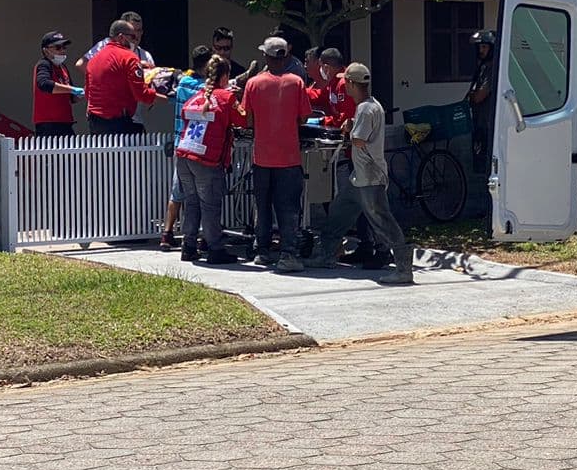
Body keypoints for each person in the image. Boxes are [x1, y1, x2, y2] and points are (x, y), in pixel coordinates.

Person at [305, 63, 414, 285]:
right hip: (361, 175)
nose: (344, 86)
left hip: (370, 176)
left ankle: (404, 268)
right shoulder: (371, 105)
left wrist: (348, 131)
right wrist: (353, 123)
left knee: (382, 220)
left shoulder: (364, 108)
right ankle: (326, 255)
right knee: (339, 212)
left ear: (352, 84)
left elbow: (359, 140)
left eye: (346, 82)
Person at [241, 36, 312, 271]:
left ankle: (262, 251)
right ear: (285, 56)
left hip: (262, 156)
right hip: (289, 157)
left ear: (266, 56)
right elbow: (304, 117)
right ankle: (288, 253)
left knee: (262, 206)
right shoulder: (297, 82)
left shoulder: (253, 84)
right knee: (289, 208)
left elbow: (248, 120)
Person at [175, 55, 241, 265]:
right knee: (210, 204)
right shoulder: (226, 97)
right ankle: (215, 249)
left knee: (192, 203)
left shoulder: (196, 96)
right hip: (206, 160)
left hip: (184, 155)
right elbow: (243, 119)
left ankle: (188, 246)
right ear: (225, 76)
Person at [161, 45, 213, 250]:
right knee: (201, 193)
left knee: (177, 191)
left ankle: (167, 233)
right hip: (198, 144)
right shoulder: (204, 88)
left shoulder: (182, 83)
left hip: (179, 142)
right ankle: (204, 236)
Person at [84, 19, 165, 134]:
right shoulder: (129, 58)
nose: (136, 40)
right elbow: (141, 94)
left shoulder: (94, 60)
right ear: (121, 37)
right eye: (133, 37)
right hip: (119, 123)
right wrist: (167, 98)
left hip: (95, 124)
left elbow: (88, 92)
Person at [32, 31, 79, 137]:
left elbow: (72, 97)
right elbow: (44, 84)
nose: (62, 51)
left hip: (65, 122)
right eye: (58, 47)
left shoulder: (63, 67)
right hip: (48, 124)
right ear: (46, 50)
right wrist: (72, 89)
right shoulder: (44, 64)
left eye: (64, 47)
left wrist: (86, 92)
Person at [468, 29, 499, 175]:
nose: (481, 50)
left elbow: (479, 96)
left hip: (487, 124)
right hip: (479, 121)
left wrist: (472, 96)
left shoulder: (492, 69)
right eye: (479, 47)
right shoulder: (482, 67)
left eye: (484, 47)